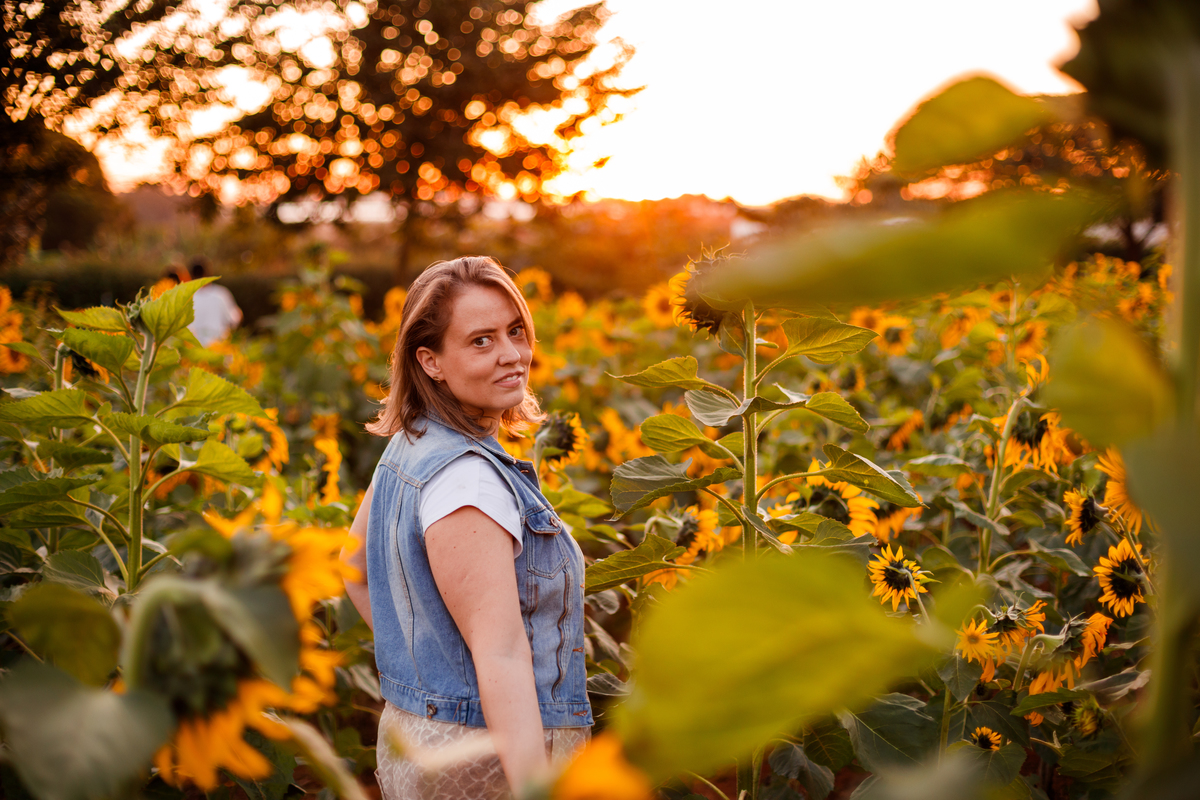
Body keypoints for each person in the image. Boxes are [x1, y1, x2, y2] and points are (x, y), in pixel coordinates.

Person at [340, 256, 591, 800]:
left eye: (515, 330)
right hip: (487, 764)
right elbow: (500, 652)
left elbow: (352, 566)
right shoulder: (468, 484)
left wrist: (430, 666)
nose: (512, 355)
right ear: (430, 361)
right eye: (481, 340)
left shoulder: (412, 445)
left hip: (422, 739)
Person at [187, 260, 242, 345]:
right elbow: (235, 319)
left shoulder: (187, 297)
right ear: (209, 274)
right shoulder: (221, 294)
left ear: (191, 275)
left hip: (193, 351)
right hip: (219, 349)